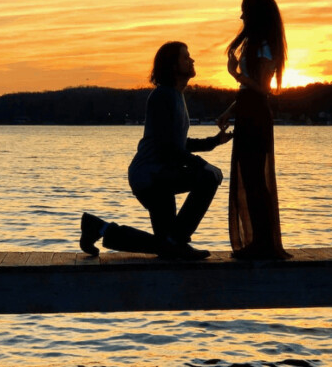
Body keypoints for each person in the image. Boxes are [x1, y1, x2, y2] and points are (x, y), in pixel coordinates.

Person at [80, 41, 232, 260]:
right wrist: (202, 165)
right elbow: (167, 146)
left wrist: (214, 141)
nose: (192, 60)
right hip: (151, 176)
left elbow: (178, 142)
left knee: (164, 246)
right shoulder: (163, 96)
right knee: (208, 177)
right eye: (185, 57)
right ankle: (178, 242)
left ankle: (97, 227)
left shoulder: (176, 96)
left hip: (160, 175)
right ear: (172, 66)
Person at [217, 0, 291, 259]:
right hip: (248, 111)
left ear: (255, 15)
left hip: (257, 115)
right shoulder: (256, 44)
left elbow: (261, 89)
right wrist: (229, 111)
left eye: (244, 11)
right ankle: (259, 242)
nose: (241, 16)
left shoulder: (265, 46)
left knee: (255, 179)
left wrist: (234, 74)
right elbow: (248, 91)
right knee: (249, 178)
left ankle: (263, 243)